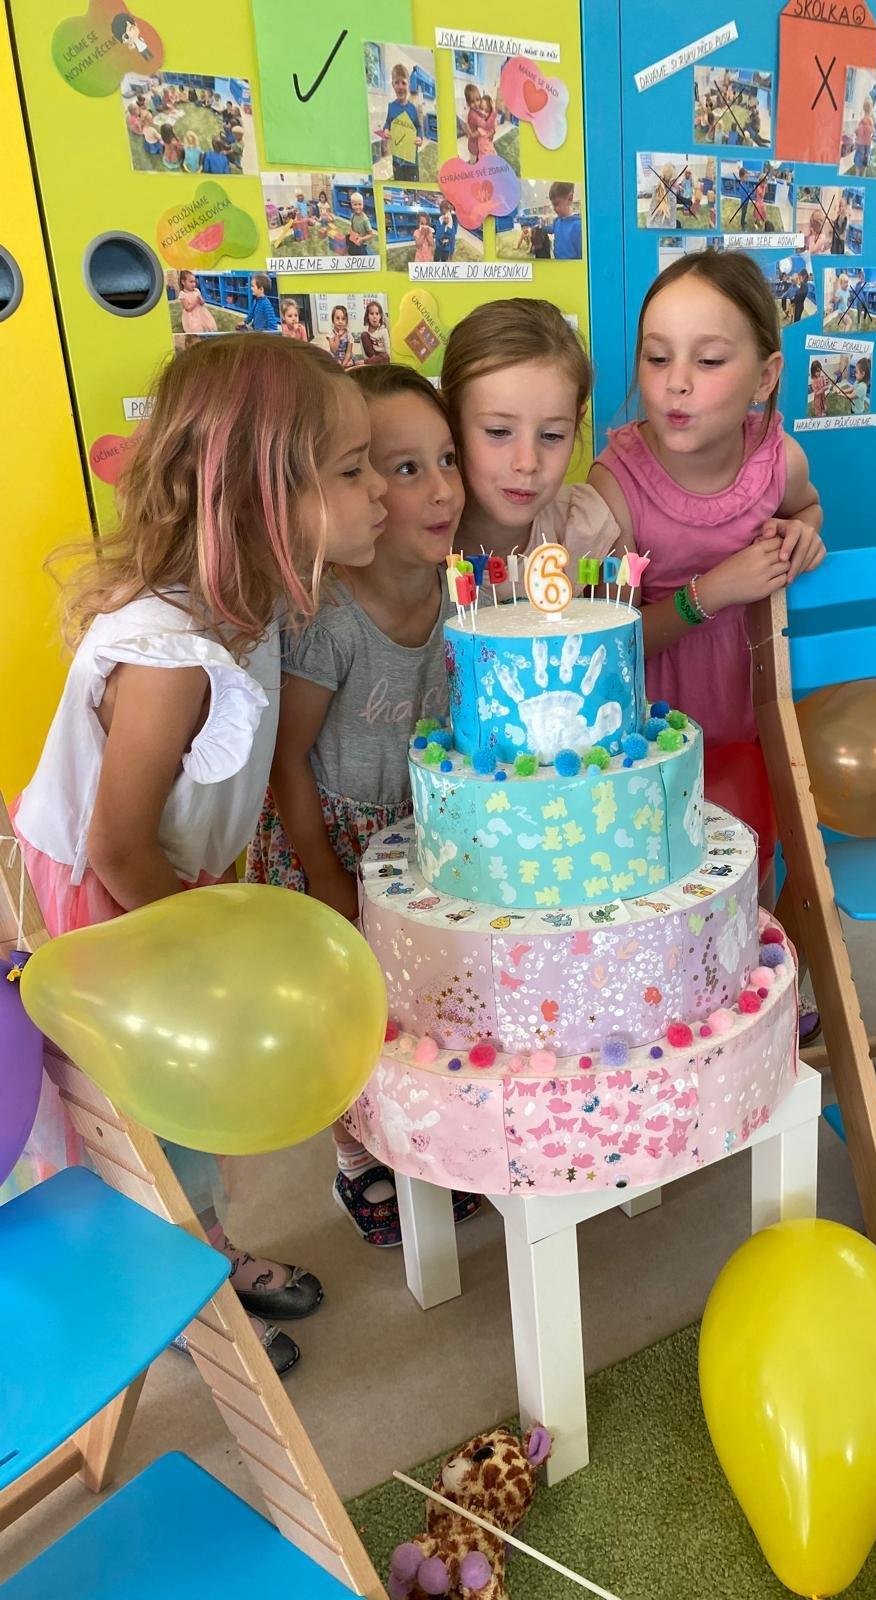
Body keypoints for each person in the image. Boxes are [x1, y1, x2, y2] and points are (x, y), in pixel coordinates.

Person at [12, 336, 388, 1374]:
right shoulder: (171, 654)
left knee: (187, 1113)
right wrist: (200, 949)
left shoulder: (250, 607)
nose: (379, 495)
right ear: (263, 499)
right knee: (146, 1120)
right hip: (115, 906)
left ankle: (205, 1248)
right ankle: (171, 1299)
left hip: (174, 888)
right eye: (351, 471)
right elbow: (114, 842)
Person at [246, 365, 479, 1241]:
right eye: (403, 468)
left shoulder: (462, 592)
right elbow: (286, 762)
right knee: (342, 1017)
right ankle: (356, 1160)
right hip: (328, 837)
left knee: (415, 1003)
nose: (441, 489)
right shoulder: (330, 619)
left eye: (447, 459)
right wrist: (326, 878)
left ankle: (418, 1135)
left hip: (414, 840)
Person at [589, 252, 827, 1043]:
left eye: (709, 360)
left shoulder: (777, 458)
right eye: (657, 358)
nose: (676, 383)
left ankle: (752, 987)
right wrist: (711, 591)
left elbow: (809, 506)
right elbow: (608, 646)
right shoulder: (616, 484)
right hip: (654, 730)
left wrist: (803, 534)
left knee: (753, 853)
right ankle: (664, 1010)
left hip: (749, 709)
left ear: (766, 377)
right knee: (663, 876)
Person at [440, 297, 622, 576]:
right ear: (450, 421)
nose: (527, 463)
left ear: (576, 424)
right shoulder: (411, 542)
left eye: (552, 435)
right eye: (498, 431)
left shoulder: (584, 530)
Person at [382, 60, 424, 183]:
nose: (400, 86)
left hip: (411, 160)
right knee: (399, 185)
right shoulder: (391, 107)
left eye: (403, 83)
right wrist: (386, 130)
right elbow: (387, 123)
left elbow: (418, 127)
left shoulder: (413, 109)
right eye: (397, 82)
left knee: (413, 187)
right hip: (397, 159)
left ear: (408, 85)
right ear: (392, 85)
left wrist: (420, 138)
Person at [176, 269, 217, 335]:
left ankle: (206, 331)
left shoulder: (196, 290)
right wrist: (195, 301)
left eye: (194, 282)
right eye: (191, 282)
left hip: (201, 312)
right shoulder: (183, 294)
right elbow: (187, 308)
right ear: (183, 282)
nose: (194, 284)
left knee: (207, 324)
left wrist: (201, 301)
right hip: (191, 316)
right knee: (196, 328)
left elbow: (202, 303)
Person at [548, 182, 581, 259]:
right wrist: (539, 226)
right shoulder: (557, 220)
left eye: (556, 204)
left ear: (570, 199)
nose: (553, 208)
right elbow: (550, 229)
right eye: (552, 204)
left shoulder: (578, 227)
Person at [345, 191, 377, 257]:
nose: (357, 207)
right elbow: (351, 226)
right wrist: (351, 233)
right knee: (347, 242)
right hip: (355, 239)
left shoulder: (365, 220)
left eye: (360, 204)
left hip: (363, 242)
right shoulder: (352, 215)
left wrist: (361, 239)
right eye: (355, 204)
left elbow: (371, 234)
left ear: (363, 204)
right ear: (351, 205)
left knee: (363, 255)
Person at [359, 298, 391, 364]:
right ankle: (372, 362)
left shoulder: (383, 330)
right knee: (364, 335)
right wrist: (371, 360)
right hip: (371, 357)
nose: (374, 316)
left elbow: (388, 352)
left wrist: (367, 361)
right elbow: (364, 352)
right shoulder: (365, 330)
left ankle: (369, 362)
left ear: (380, 316)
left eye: (377, 314)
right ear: (367, 316)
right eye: (371, 314)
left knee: (386, 356)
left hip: (381, 357)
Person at [326, 303, 355, 368]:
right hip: (334, 357)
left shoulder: (349, 335)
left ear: (346, 321)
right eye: (337, 318)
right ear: (333, 320)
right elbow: (333, 350)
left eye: (343, 319)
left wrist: (343, 364)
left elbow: (348, 353)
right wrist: (338, 337)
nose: (340, 321)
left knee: (351, 364)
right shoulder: (331, 334)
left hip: (345, 358)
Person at [852, 97, 875, 177]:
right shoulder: (871, 120)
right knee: (866, 157)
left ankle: (857, 173)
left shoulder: (862, 120)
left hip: (860, 143)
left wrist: (856, 132)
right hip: (867, 144)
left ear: (863, 108)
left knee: (859, 158)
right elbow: (873, 132)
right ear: (871, 109)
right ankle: (864, 173)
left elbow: (858, 131)